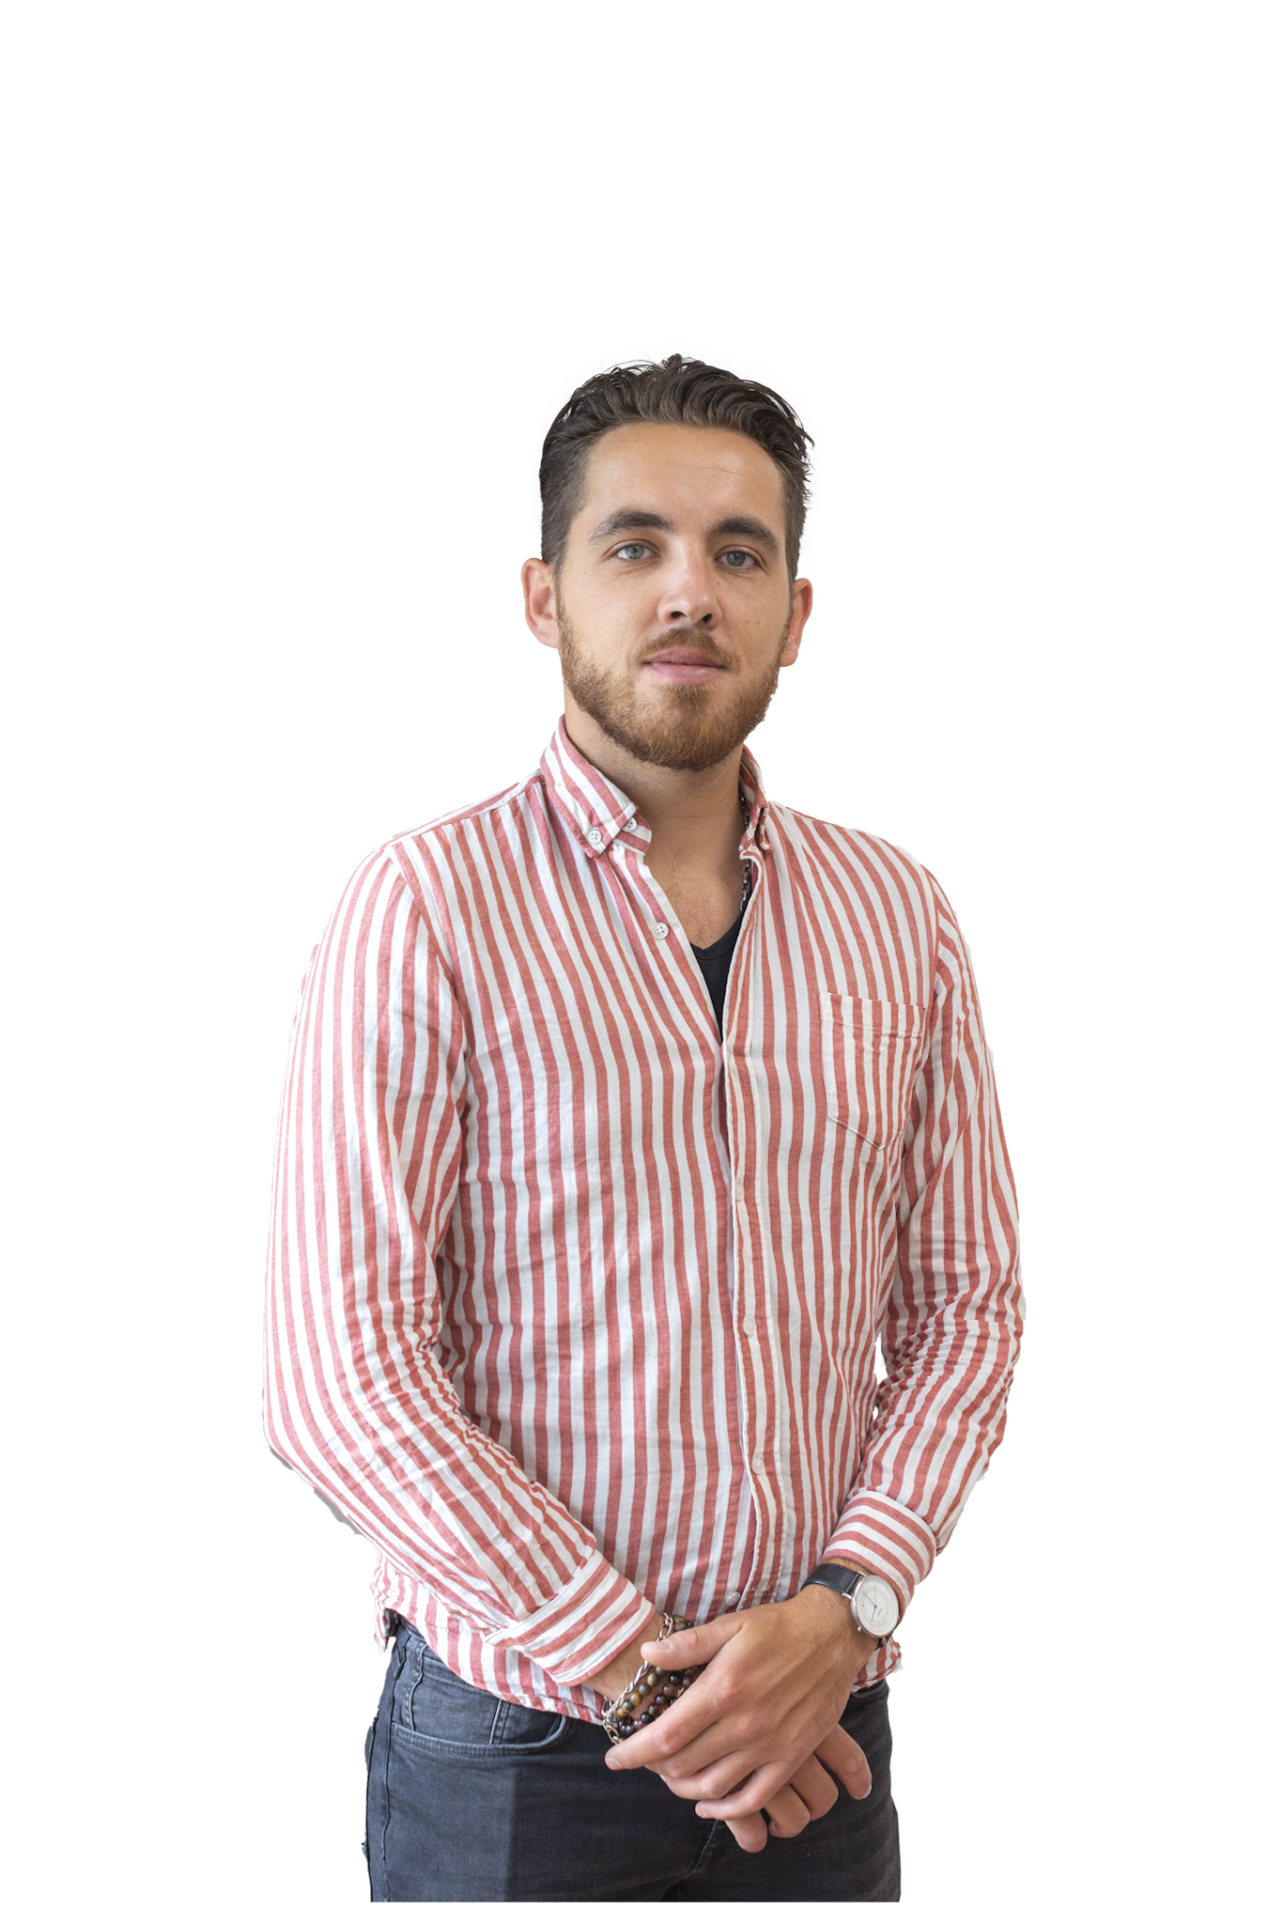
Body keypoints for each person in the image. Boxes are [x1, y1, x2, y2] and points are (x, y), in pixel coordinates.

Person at [264, 354, 1025, 1902]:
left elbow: (968, 1307)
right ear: (543, 596)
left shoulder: (900, 917)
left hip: (826, 1733)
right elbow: (340, 1378)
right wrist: (649, 1681)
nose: (690, 590)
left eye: (739, 551)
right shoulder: (427, 908)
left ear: (794, 614)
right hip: (523, 1760)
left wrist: (849, 1611)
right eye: (636, 545)